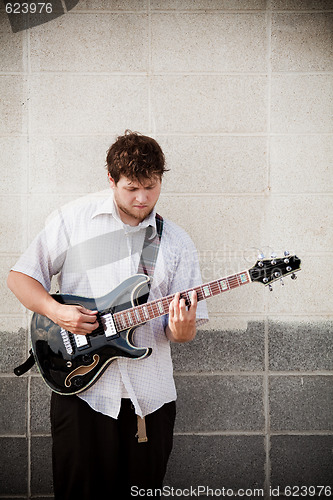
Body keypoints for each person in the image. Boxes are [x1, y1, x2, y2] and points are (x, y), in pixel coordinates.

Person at [7, 131, 208, 499]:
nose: (143, 198)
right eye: (132, 187)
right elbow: (20, 278)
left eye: (151, 186)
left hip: (149, 397)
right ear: (112, 180)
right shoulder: (73, 220)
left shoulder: (176, 242)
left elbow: (181, 334)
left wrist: (183, 328)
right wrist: (56, 311)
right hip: (81, 390)